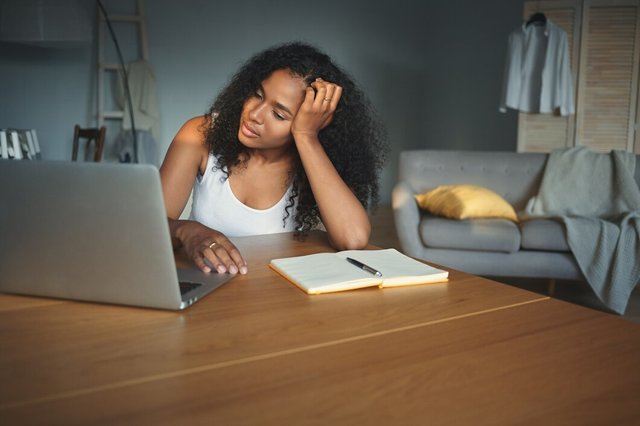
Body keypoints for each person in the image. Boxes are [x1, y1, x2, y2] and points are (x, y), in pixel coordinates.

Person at [160, 42, 387, 275]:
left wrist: (307, 137)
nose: (254, 115)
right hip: (206, 284)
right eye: (257, 95)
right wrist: (187, 230)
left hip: (275, 296)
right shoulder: (200, 134)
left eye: (278, 114)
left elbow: (353, 239)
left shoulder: (311, 159)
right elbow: (148, 226)